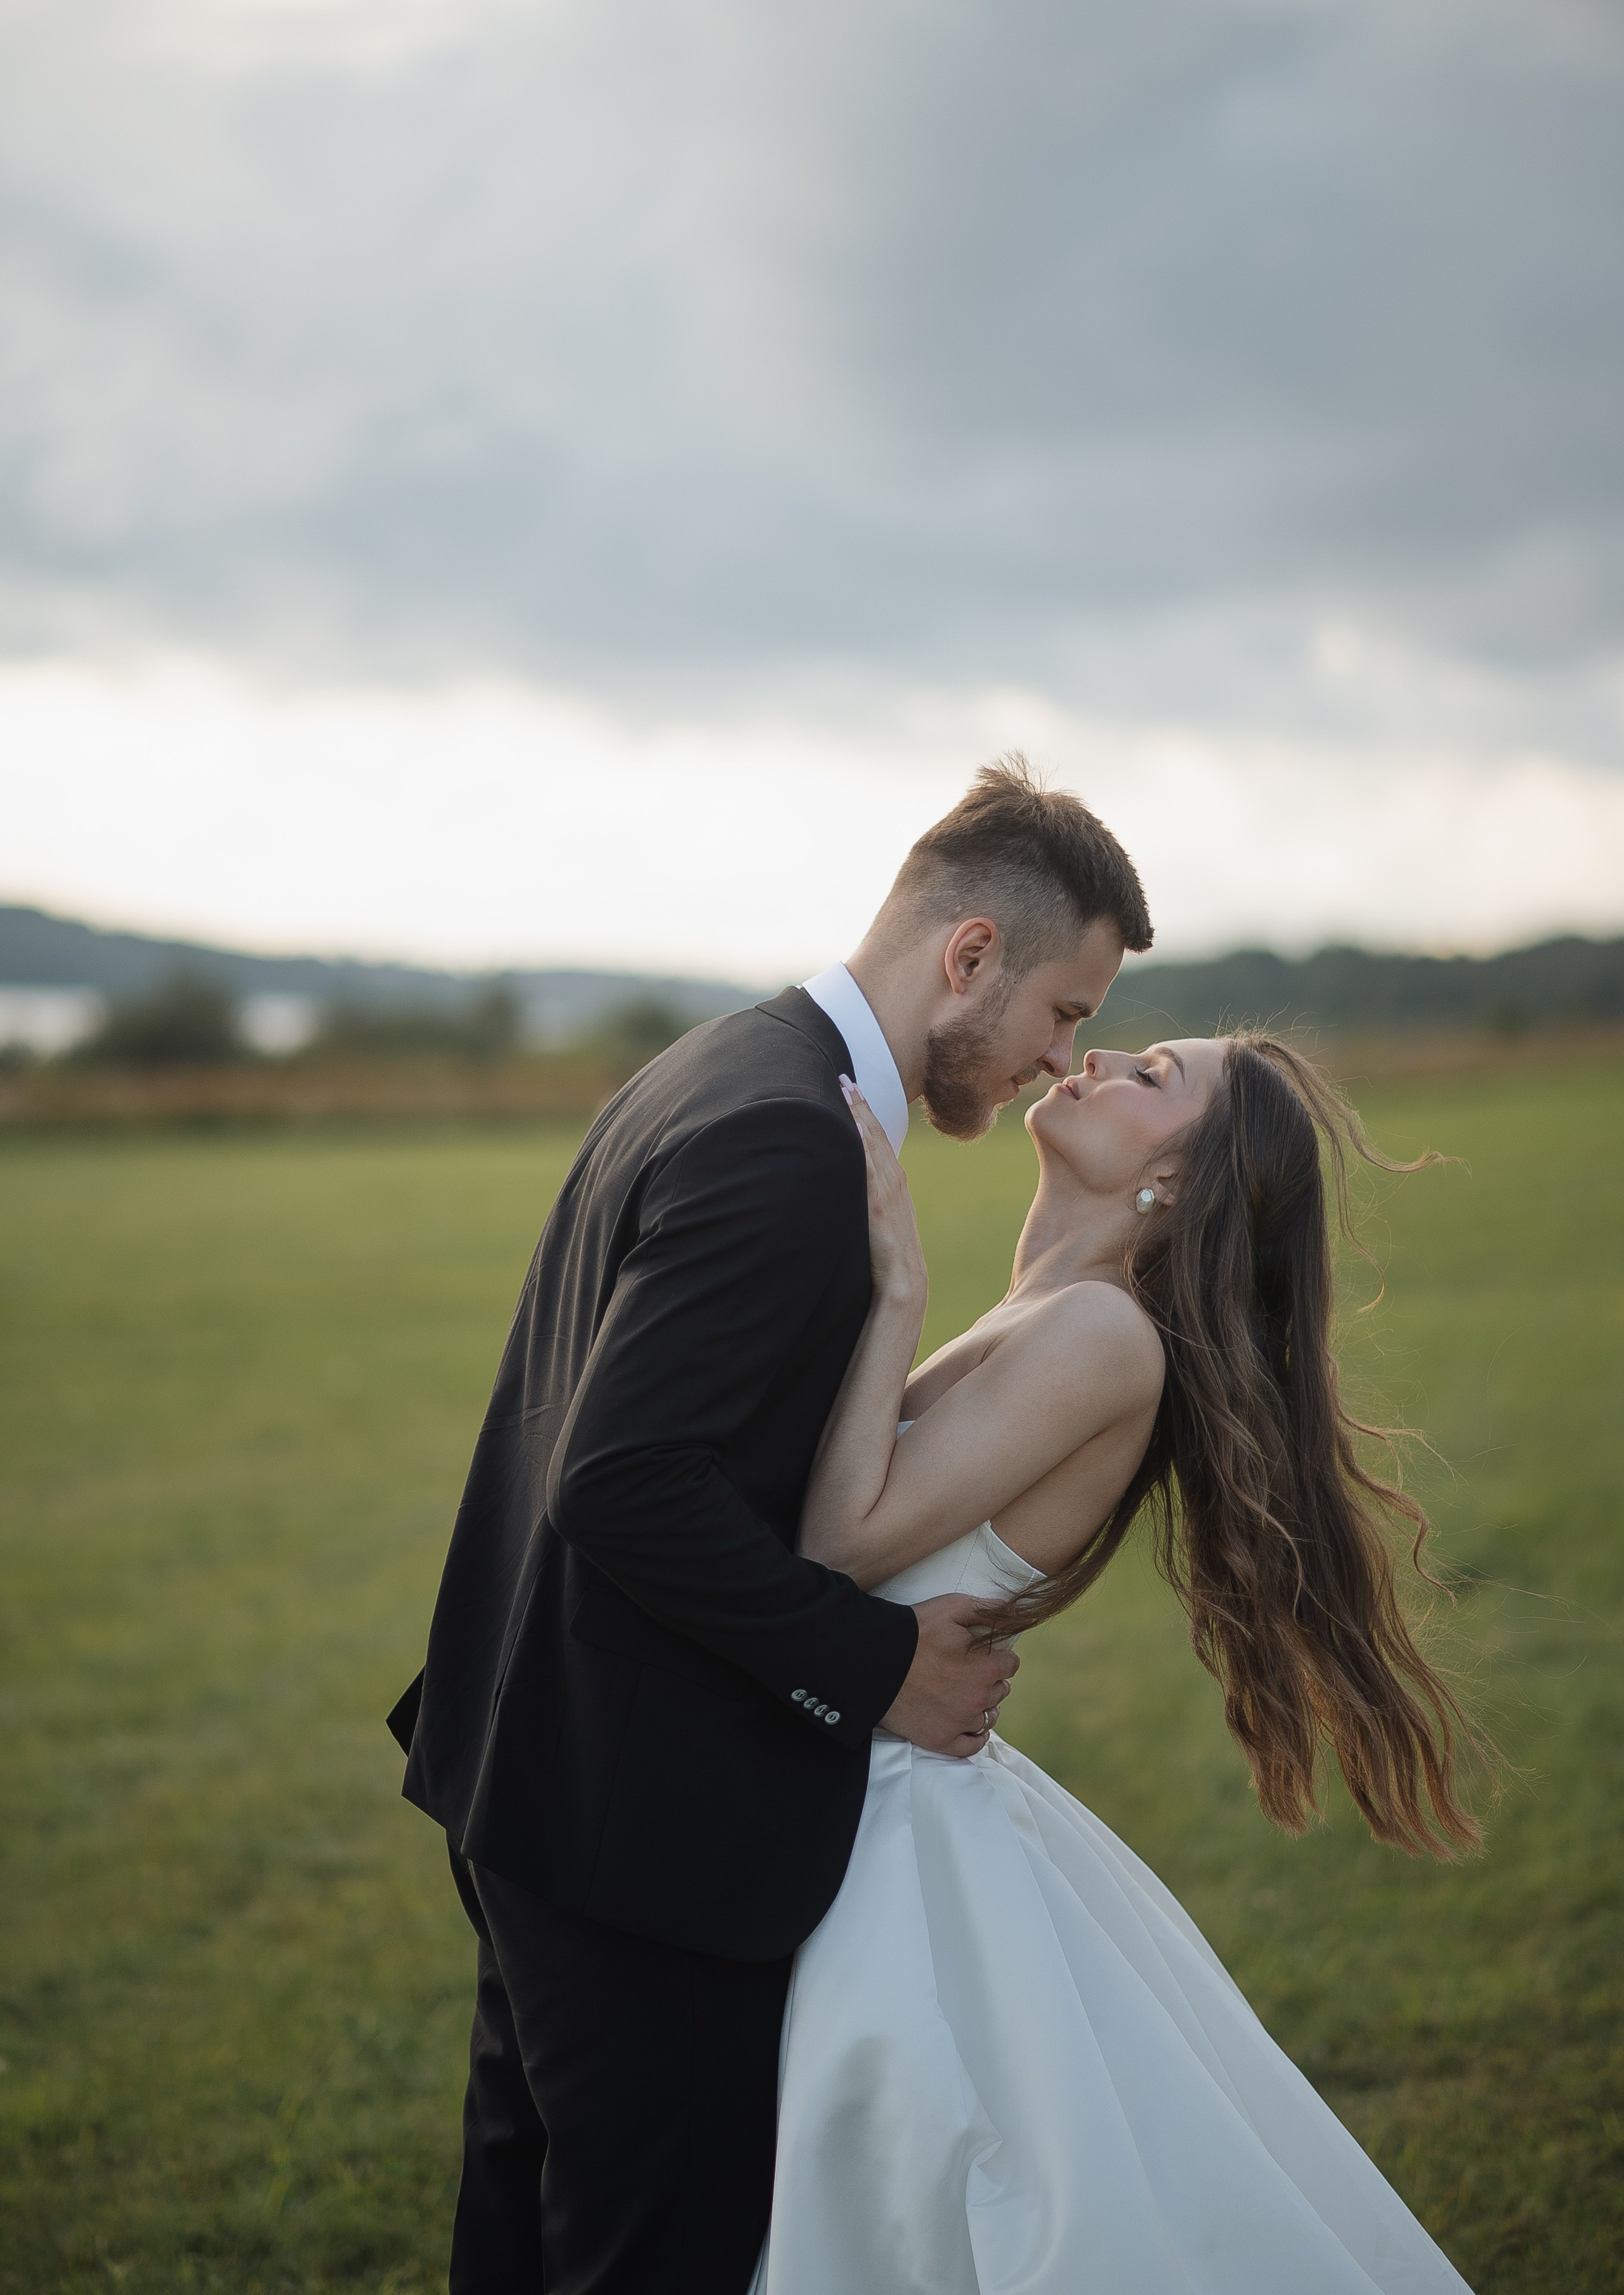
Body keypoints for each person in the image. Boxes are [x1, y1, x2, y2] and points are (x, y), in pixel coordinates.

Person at [386, 756, 1154, 2292]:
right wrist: (875, 1664)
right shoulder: (784, 1136)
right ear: (970, 955)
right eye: (1063, 1012)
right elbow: (620, 1477)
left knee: (520, 2237)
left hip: (536, 1766)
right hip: (637, 1832)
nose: (1059, 1061)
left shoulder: (724, 1065)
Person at [747, 1038, 1481, 2294]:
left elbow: (834, 1546)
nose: (1100, 1055)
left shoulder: (1099, 1333)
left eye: (1153, 1076)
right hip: (856, 1788)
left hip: (895, 1844)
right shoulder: (1043, 1311)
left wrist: (896, 1289)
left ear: (1175, 1182)